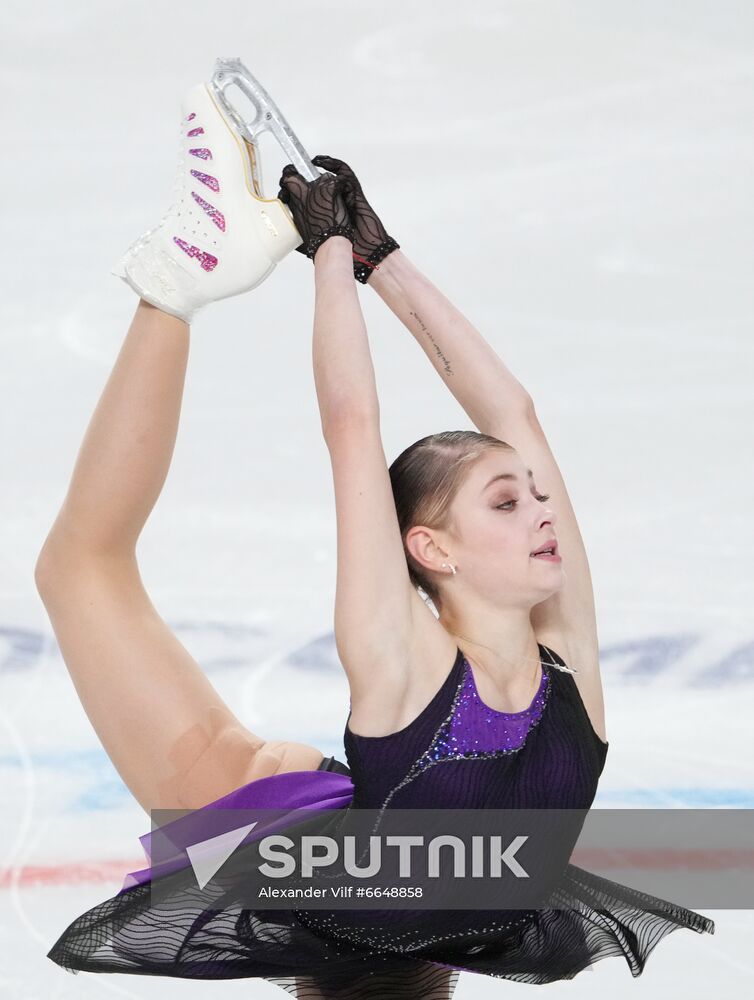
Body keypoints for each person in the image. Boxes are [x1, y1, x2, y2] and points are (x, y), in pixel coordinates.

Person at [39, 83, 714, 999]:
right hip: (432, 894)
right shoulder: (572, 669)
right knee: (95, 589)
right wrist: (380, 258)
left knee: (85, 571)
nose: (547, 509)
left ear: (428, 550)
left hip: (358, 885)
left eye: (521, 499)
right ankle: (176, 284)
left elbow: (353, 426)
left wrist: (328, 254)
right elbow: (513, 413)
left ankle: (181, 271)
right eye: (511, 502)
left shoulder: (401, 663)